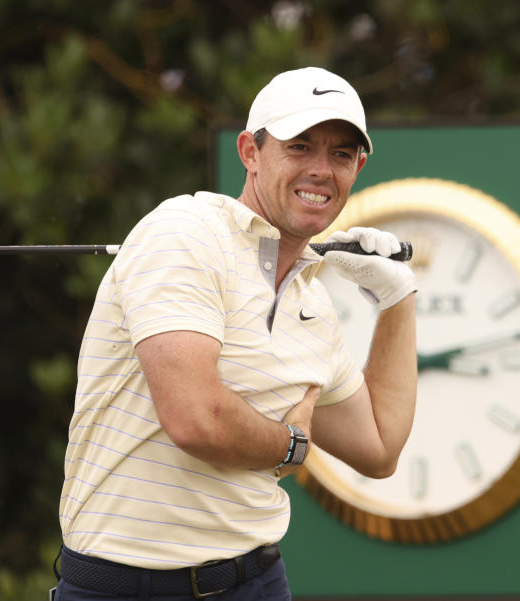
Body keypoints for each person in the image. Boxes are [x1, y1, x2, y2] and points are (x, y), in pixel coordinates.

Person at [53, 66, 417, 600]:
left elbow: (381, 449)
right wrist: (290, 445)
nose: (321, 169)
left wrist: (398, 300)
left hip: (257, 581)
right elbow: (197, 421)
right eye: (300, 146)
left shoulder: (311, 302)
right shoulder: (183, 233)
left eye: (341, 154)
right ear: (250, 151)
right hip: (124, 587)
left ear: (358, 167)